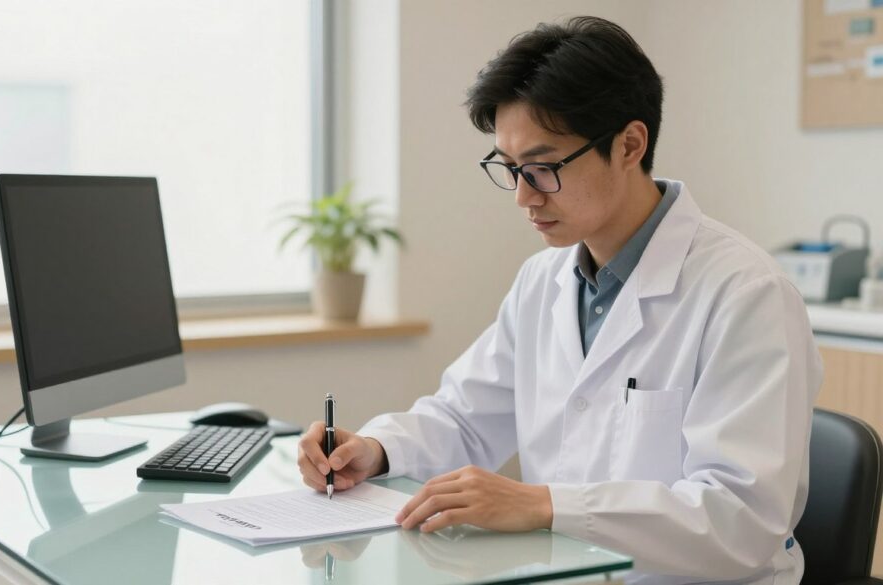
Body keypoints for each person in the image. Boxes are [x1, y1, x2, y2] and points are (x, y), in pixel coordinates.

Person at [297, 16, 822, 584]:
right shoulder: (541, 281)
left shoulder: (747, 295)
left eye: (544, 168)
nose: (523, 195)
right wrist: (375, 449)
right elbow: (465, 417)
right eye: (510, 168)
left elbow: (739, 521)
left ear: (629, 144)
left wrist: (546, 506)